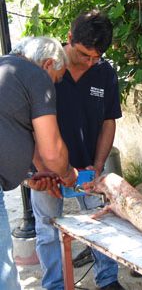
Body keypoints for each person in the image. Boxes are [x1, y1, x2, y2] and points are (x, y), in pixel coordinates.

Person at [31, 10, 123, 290]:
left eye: (97, 56)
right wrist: (42, 171)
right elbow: (29, 126)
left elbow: (109, 121)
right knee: (48, 229)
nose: (91, 62)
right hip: (47, 168)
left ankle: (108, 280)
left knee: (103, 224)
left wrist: (98, 165)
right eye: (85, 55)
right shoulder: (45, 67)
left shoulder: (104, 72)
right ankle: (54, 285)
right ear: (69, 39)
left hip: (88, 169)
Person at [0, 36, 78, 290]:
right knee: (4, 276)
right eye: (56, 79)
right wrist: (67, 173)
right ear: (47, 64)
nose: (54, 86)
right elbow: (52, 151)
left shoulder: (6, 68)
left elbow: (14, 134)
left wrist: (28, 176)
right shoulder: (36, 75)